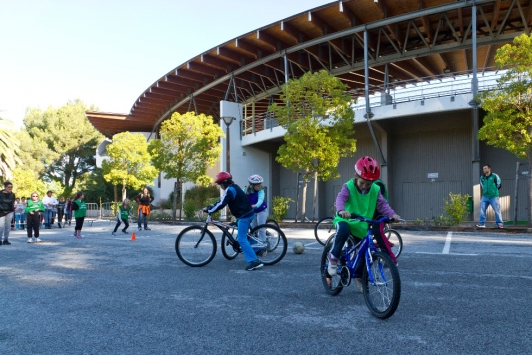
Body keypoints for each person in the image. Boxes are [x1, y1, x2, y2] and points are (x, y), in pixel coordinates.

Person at [327, 156, 400, 290]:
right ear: (356, 175)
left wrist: (392, 215)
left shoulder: (375, 190)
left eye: (368, 184)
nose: (365, 186)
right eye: (362, 183)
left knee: (364, 250)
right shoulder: (348, 186)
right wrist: (341, 210)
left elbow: (382, 204)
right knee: (342, 230)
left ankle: (358, 276)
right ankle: (333, 257)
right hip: (346, 220)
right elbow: (340, 199)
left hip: (362, 224)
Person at [207, 171, 263, 271]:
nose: (220, 186)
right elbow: (221, 200)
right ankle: (258, 249)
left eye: (220, 184)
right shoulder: (234, 187)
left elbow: (222, 203)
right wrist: (212, 206)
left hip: (244, 216)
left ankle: (255, 261)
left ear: (223, 184)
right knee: (244, 234)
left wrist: (210, 210)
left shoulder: (230, 190)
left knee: (241, 239)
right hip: (247, 213)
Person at [476, 164, 503, 229]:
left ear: (489, 169)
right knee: (482, 209)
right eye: (483, 169)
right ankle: (482, 223)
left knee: (497, 210)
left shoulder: (494, 176)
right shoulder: (482, 177)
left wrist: (493, 191)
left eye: (485, 168)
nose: (484, 170)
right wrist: (486, 191)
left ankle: (499, 224)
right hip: (485, 196)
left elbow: (499, 184)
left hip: (494, 196)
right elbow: (482, 186)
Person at [245, 174, 268, 242]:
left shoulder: (261, 191)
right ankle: (254, 242)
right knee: (253, 228)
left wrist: (256, 205)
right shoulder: (246, 190)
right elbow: (241, 198)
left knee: (260, 227)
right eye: (258, 185)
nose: (260, 186)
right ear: (252, 185)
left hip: (262, 210)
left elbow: (260, 200)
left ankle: (262, 245)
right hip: (253, 211)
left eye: (260, 184)